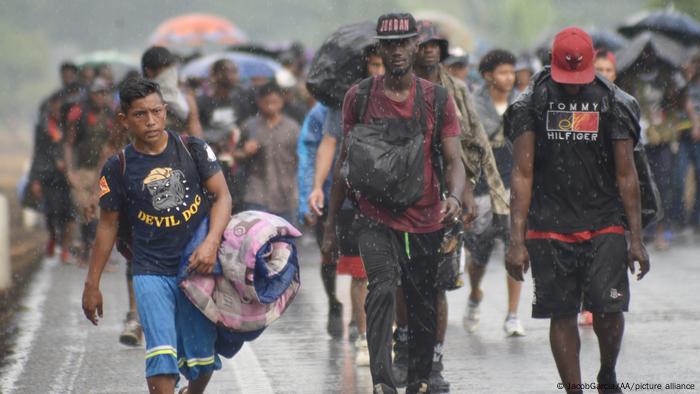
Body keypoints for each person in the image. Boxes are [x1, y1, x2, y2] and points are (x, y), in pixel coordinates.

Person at [323, 13, 466, 394]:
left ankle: (419, 378)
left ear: (416, 45)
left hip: (425, 217)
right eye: (390, 44)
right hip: (374, 215)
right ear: (380, 49)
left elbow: (454, 160)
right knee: (382, 289)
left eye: (404, 43)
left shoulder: (437, 98)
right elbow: (344, 163)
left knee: (422, 300)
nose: (398, 51)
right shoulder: (360, 97)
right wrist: (329, 229)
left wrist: (453, 196)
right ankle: (383, 381)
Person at [505, 27, 650, 394]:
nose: (572, 87)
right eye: (565, 79)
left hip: (604, 221)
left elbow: (626, 173)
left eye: (578, 79)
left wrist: (636, 238)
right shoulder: (530, 104)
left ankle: (607, 373)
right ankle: (574, 390)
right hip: (548, 224)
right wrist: (515, 240)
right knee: (562, 311)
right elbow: (522, 173)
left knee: (608, 307)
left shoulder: (614, 103)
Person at [82, 78, 231, 394]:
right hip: (150, 271)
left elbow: (223, 196)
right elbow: (107, 225)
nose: (150, 121)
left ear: (165, 111)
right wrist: (91, 283)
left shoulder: (193, 149)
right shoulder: (118, 166)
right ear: (124, 120)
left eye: (156, 111)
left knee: (202, 360)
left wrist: (211, 243)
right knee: (161, 361)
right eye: (140, 115)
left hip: (197, 267)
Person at [390, 20, 478, 393]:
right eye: (422, 44)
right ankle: (405, 347)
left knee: (437, 285)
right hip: (398, 203)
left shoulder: (451, 92)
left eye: (434, 45)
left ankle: (434, 358)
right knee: (399, 282)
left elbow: (469, 146)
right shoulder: (390, 92)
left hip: (441, 201)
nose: (429, 50)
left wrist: (465, 192)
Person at [307, 44, 385, 340]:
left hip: (394, 194)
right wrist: (316, 187)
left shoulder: (406, 95)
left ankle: (386, 332)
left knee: (390, 270)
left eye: (382, 65)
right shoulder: (347, 99)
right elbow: (329, 144)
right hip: (353, 192)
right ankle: (362, 331)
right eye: (373, 64)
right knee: (354, 267)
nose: (378, 71)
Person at [463, 49, 525, 338]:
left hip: (515, 187)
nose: (509, 77)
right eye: (502, 72)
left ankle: (513, 314)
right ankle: (475, 292)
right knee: (478, 253)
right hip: (483, 188)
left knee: (516, 249)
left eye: (511, 72)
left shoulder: (523, 103)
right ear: (488, 76)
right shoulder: (472, 105)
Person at [65, 78, 118, 266]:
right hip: (83, 171)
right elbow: (69, 144)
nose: (101, 97)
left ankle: (96, 253)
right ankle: (88, 250)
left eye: (104, 93)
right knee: (84, 208)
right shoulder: (80, 113)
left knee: (100, 212)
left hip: (103, 170)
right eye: (98, 93)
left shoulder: (111, 115)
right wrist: (70, 170)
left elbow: (114, 143)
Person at [233, 82, 300, 223]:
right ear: (259, 102)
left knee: (285, 242)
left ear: (282, 102)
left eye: (274, 102)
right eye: (266, 102)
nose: (270, 106)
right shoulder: (249, 126)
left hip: (286, 193)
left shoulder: (293, 128)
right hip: (257, 192)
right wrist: (245, 152)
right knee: (257, 240)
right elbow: (235, 155)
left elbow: (302, 159)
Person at [196, 58, 257, 210]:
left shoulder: (242, 100)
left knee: (240, 204)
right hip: (214, 161)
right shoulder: (203, 102)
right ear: (215, 75)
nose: (232, 76)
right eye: (227, 71)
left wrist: (245, 145)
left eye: (234, 72)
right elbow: (199, 130)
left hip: (239, 162)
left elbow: (249, 126)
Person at [28, 93, 75, 263]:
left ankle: (64, 248)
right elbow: (38, 153)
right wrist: (35, 179)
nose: (57, 110)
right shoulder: (43, 127)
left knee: (69, 213)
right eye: (55, 107)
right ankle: (53, 237)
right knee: (51, 213)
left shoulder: (69, 124)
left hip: (68, 177)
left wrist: (68, 165)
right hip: (48, 176)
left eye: (60, 107)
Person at [142, 46, 203, 137]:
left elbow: (196, 134)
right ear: (149, 72)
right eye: (165, 70)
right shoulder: (138, 101)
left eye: (171, 69)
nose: (171, 74)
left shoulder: (186, 100)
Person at [673, 51, 700, 234]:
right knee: (678, 178)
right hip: (683, 134)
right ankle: (679, 217)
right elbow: (677, 103)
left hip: (697, 136)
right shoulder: (680, 82)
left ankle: (695, 219)